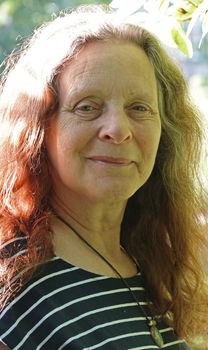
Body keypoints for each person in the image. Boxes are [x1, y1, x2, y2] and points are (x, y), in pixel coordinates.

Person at [0, 4, 207, 350]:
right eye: (87, 106)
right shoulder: (13, 285)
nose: (118, 129)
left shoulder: (156, 262)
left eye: (139, 108)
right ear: (37, 129)